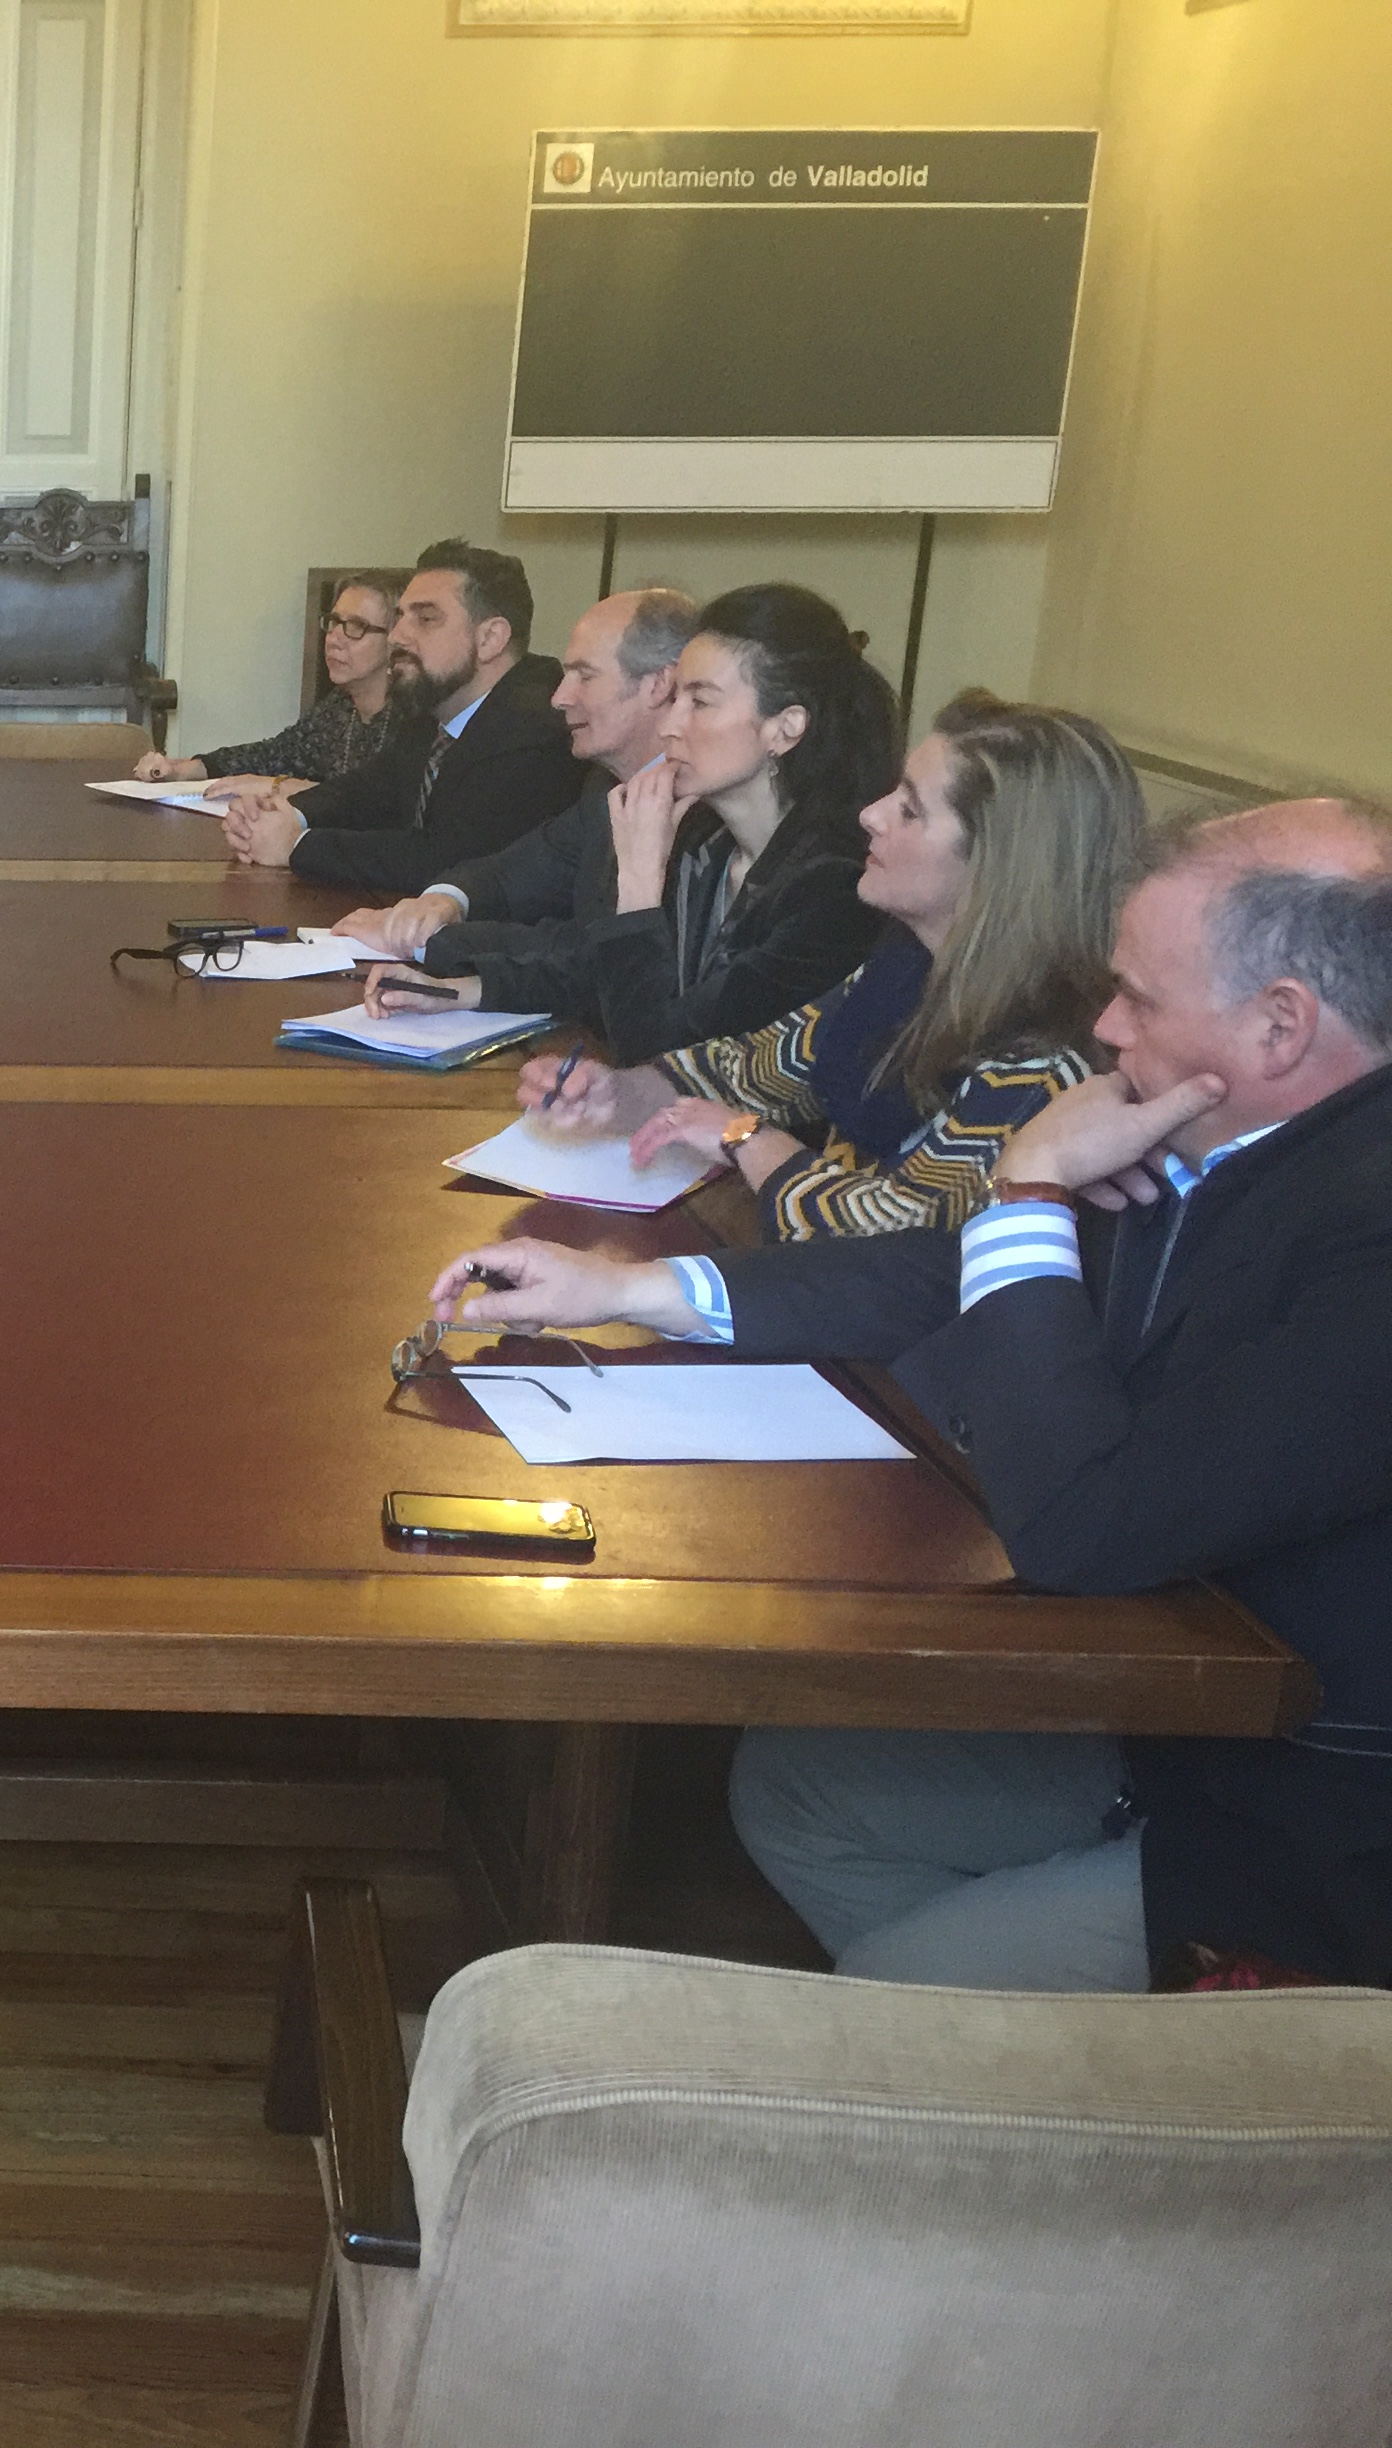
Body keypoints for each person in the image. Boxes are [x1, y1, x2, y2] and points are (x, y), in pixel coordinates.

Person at [424, 798, 1392, 1992]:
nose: (1105, 1026)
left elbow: (1085, 1527)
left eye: (1139, 998)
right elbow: (949, 1279)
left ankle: (1054, 2052)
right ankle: (1054, 2049)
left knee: (896, 1978)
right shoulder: (1235, 1133)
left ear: (1280, 1026)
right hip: (1173, 1720)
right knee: (801, 1791)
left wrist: (1029, 1187)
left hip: (1301, 1821)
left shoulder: (1367, 1230)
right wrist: (635, 1288)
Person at [518, 692, 1139, 1239]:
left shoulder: (1046, 1056)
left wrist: (745, 1139)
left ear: (998, 866)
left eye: (910, 809)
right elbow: (751, 1069)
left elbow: (898, 1230)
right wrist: (619, 1092)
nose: (872, 814)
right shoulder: (905, 969)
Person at [351, 584, 893, 1059]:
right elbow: (597, 969)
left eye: (701, 702)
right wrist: (463, 990)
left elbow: (658, 1049)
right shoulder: (711, 840)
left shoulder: (833, 886)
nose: (671, 725)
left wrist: (638, 885)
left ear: (786, 728)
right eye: (676, 698)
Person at [215, 540, 585, 896]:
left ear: (490, 639)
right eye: (400, 617)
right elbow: (370, 790)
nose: (397, 636)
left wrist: (297, 846)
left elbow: (446, 858)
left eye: (425, 619)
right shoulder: (437, 704)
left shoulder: (535, 727)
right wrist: (285, 814)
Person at [130, 569, 405, 797]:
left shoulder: (412, 720)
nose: (334, 638)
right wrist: (184, 769)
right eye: (334, 622)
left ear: (397, 640)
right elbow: (275, 755)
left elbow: (372, 803)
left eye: (356, 626)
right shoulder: (341, 705)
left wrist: (275, 786)